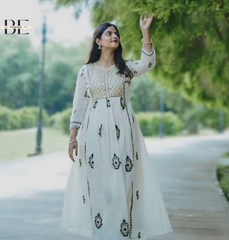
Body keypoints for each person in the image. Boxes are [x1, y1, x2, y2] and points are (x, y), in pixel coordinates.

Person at [60, 13, 173, 240]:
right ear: (98, 41)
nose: (114, 36)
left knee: (124, 181)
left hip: (124, 131)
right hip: (93, 134)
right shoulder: (86, 71)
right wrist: (73, 138)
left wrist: (145, 33)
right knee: (100, 183)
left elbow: (148, 63)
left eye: (116, 33)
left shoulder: (126, 68)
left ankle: (123, 234)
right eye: (109, 33)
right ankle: (102, 233)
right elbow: (79, 105)